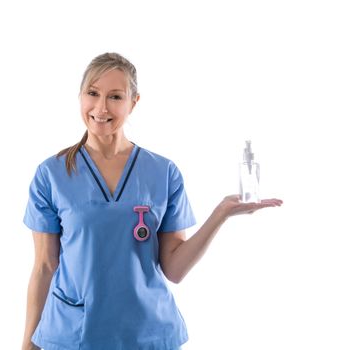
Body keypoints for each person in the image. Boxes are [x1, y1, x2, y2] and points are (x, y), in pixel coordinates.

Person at [21, 52, 283, 350]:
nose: (101, 107)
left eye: (116, 97)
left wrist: (220, 214)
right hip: (73, 334)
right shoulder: (52, 173)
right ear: (80, 97)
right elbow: (45, 266)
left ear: (134, 102)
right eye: (92, 93)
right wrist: (28, 345)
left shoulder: (163, 172)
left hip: (148, 334)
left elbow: (174, 269)